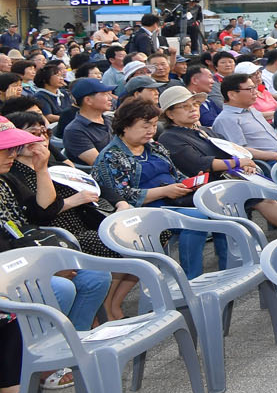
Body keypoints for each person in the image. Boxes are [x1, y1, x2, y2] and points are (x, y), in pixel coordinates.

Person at [0, 115, 112, 338]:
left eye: (13, 148)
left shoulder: (3, 180)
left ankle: (75, 342)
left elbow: (44, 211)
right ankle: (47, 352)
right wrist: (44, 268)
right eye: (4, 149)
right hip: (3, 272)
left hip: (23, 258)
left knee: (96, 278)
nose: (12, 155)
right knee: (61, 288)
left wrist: (41, 170)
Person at [91, 97, 228, 279]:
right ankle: (191, 277)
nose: (151, 131)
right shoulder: (111, 156)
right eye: (145, 126)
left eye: (154, 125)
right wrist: (164, 191)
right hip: (142, 211)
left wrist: (192, 182)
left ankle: (228, 265)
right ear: (125, 126)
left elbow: (175, 174)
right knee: (197, 218)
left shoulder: (154, 147)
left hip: (174, 200)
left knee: (216, 205)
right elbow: (120, 195)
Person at [156, 85, 277, 235]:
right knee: (262, 198)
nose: (192, 109)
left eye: (195, 104)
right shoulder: (170, 137)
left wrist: (244, 165)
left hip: (229, 177)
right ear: (170, 114)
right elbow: (199, 163)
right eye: (184, 106)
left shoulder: (203, 130)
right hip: (206, 186)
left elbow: (230, 151)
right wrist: (237, 163)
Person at [211, 73, 277, 163]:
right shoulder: (226, 119)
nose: (255, 92)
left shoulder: (251, 111)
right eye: (250, 89)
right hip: (270, 162)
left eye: (254, 88)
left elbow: (273, 134)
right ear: (232, 95)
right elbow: (241, 150)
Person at [61, 78, 115, 167]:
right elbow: (101, 164)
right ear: (88, 100)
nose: (110, 98)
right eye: (104, 94)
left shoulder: (109, 120)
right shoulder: (74, 131)